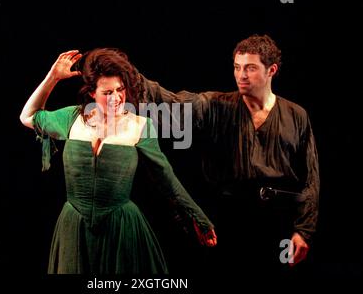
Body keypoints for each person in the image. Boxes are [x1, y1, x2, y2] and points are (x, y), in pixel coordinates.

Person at [19, 48, 217, 274]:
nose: (116, 98)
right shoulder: (71, 118)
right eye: (107, 92)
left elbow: (166, 178)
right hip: (74, 227)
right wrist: (52, 77)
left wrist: (198, 217)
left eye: (120, 89)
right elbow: (27, 116)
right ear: (92, 93)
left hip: (120, 228)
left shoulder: (140, 126)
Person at [139, 34, 320, 276]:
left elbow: (310, 178)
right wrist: (124, 73)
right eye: (237, 67)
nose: (241, 75)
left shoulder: (296, 115)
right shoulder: (216, 105)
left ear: (271, 70)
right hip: (227, 219)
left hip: (277, 222)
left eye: (251, 68)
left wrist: (303, 229)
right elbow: (169, 101)